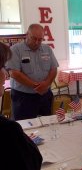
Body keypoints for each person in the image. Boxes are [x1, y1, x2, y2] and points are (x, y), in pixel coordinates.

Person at [0, 42, 43, 170]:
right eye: (1, 67)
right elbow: (33, 162)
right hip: (23, 96)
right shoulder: (8, 130)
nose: (5, 74)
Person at [6, 24, 59, 120]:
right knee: (24, 126)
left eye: (40, 39)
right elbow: (14, 73)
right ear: (27, 34)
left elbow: (53, 69)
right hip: (23, 97)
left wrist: (46, 84)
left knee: (47, 123)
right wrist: (36, 86)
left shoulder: (47, 49)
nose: (37, 42)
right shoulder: (15, 50)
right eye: (34, 38)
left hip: (45, 95)